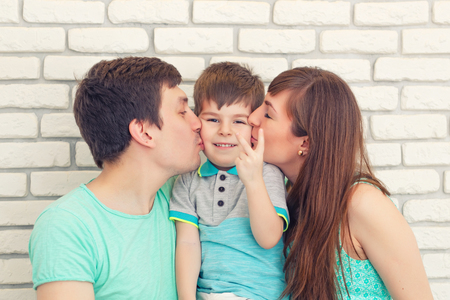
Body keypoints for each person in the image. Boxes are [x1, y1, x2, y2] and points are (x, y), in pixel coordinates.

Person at [247, 67, 434, 300]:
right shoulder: (279, 199)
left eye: (268, 114)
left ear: (305, 142)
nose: (252, 117)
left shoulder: (363, 204)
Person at [28, 57, 203, 300]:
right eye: (183, 112)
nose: (198, 123)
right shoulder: (67, 227)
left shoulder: (184, 197)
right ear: (144, 132)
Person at [169, 62, 289, 300]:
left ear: (253, 126)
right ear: (197, 123)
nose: (225, 130)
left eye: (238, 121)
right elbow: (187, 244)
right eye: (213, 120)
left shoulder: (267, 173)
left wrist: (253, 180)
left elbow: (268, 238)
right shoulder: (187, 182)